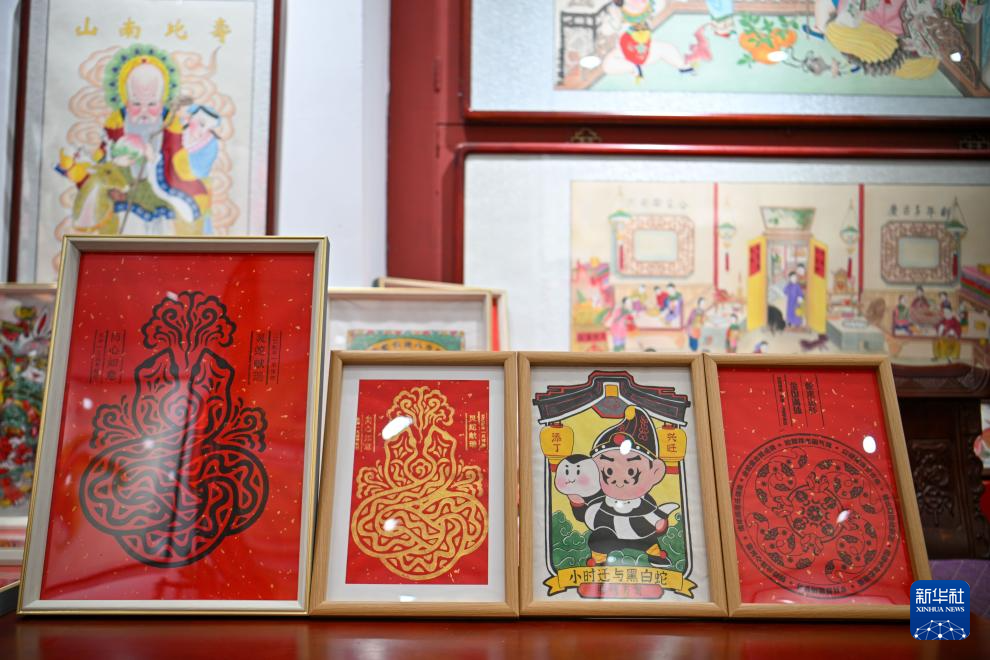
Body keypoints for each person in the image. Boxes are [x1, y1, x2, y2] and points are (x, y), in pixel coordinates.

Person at [567, 406, 675, 569]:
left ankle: (655, 556)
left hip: (640, 537)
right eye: (609, 471)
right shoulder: (599, 499)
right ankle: (598, 560)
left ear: (655, 472)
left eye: (631, 471)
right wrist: (577, 503)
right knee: (598, 538)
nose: (619, 481)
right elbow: (585, 515)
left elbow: (655, 519)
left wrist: (661, 526)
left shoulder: (645, 503)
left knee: (650, 539)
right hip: (608, 537)